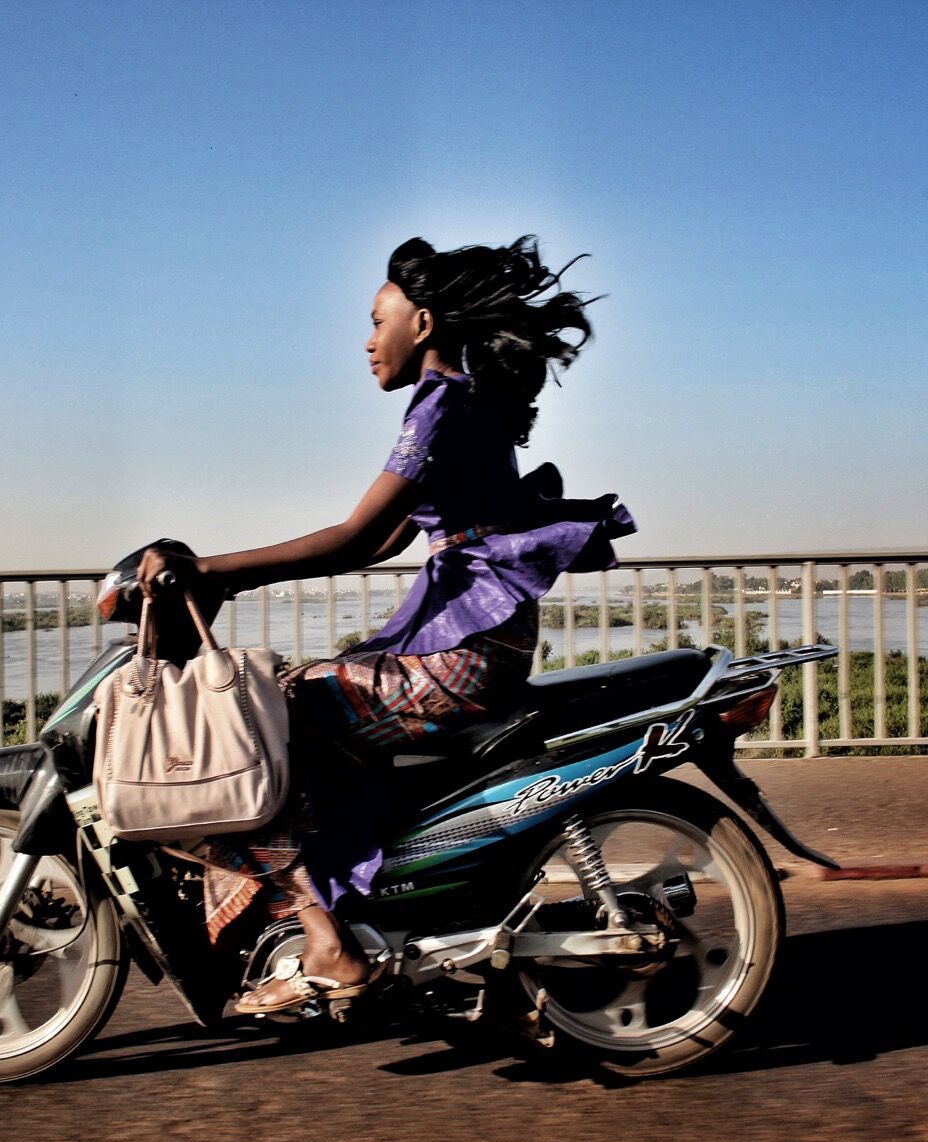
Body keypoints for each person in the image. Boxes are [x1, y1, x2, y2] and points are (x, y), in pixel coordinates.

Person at [137, 235, 633, 1014]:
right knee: (298, 702)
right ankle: (371, 909)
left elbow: (359, 534)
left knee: (261, 711)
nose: (368, 340)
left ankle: (326, 943)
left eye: (378, 321)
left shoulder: (438, 409)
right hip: (475, 638)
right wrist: (231, 579)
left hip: (465, 649)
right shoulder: (461, 401)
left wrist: (208, 574)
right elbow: (384, 539)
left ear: (424, 322)